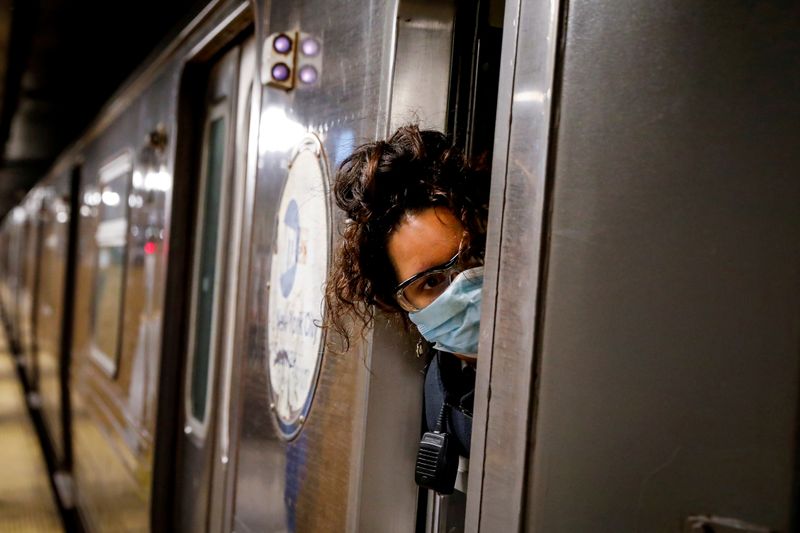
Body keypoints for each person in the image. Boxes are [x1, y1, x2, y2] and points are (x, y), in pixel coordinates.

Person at [326, 124, 490, 459]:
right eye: (430, 282)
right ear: (400, 304)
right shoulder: (444, 399)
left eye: (475, 256)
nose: (467, 284)